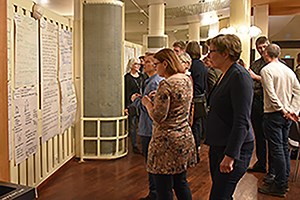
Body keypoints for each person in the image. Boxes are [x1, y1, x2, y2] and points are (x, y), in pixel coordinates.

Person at [142, 48, 197, 200]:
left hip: (166, 142)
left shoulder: (166, 84)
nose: (154, 67)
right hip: (183, 136)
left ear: (165, 64)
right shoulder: (185, 79)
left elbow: (158, 117)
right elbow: (177, 103)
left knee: (164, 188)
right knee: (180, 182)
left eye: (156, 64)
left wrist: (147, 103)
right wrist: (158, 99)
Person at [205, 34, 254, 200]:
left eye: (211, 51)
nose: (208, 55)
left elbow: (242, 120)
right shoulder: (226, 74)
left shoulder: (239, 76)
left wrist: (231, 155)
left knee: (219, 196)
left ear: (225, 53)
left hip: (233, 148)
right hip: (220, 144)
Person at [258, 44, 300, 197]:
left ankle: (280, 185)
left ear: (266, 54)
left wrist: (282, 109)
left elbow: (271, 94)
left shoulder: (266, 70)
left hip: (274, 114)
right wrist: (292, 110)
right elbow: (298, 91)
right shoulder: (288, 70)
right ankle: (283, 182)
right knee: (283, 149)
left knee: (277, 150)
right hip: (286, 114)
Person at [131, 53, 163, 200]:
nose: (144, 64)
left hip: (149, 128)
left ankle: (154, 194)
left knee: (151, 164)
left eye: (148, 62)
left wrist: (136, 100)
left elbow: (148, 106)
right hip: (148, 127)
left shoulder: (154, 83)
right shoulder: (152, 81)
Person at [247, 36, 270, 174]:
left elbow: (271, 82)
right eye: (259, 47)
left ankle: (272, 168)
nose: (261, 50)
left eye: (264, 47)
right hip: (256, 102)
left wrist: (256, 78)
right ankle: (261, 162)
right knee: (259, 135)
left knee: (270, 137)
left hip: (269, 102)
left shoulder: (276, 64)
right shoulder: (255, 64)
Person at [185, 41, 208, 161]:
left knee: (194, 126)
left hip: (195, 98)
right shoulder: (202, 65)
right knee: (197, 125)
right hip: (201, 97)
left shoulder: (193, 66)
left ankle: (194, 153)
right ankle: (196, 150)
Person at [124, 58, 142, 154]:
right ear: (131, 65)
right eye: (136, 64)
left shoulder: (142, 77)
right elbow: (125, 92)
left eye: (139, 64)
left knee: (140, 123)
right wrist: (126, 106)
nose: (138, 66)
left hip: (141, 103)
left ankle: (141, 143)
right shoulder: (127, 77)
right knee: (133, 124)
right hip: (131, 104)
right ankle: (134, 145)